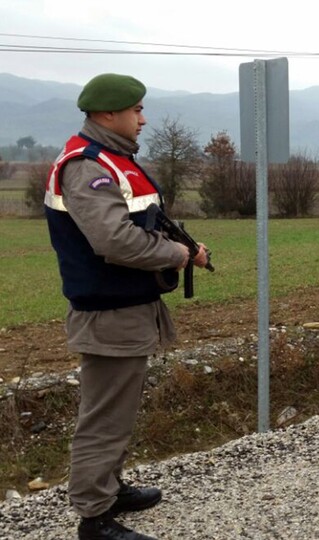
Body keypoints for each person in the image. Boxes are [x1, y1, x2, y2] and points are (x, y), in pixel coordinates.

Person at [44, 73, 209, 540]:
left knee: (119, 409)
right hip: (107, 312)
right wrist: (178, 255)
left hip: (128, 306)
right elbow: (114, 240)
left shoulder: (117, 159)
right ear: (107, 114)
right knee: (104, 417)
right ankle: (94, 518)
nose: (143, 118)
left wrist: (182, 244)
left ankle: (109, 488)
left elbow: (144, 224)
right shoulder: (87, 164)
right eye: (136, 110)